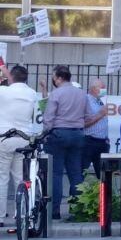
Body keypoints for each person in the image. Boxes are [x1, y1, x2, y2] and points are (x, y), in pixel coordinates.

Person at [42, 65, 88, 220]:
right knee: (75, 173)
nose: (53, 80)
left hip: (59, 134)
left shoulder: (56, 94)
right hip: (77, 134)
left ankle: (54, 211)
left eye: (54, 77)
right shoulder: (81, 93)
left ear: (59, 78)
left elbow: (49, 118)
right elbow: (87, 115)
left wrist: (45, 133)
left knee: (56, 173)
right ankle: (77, 209)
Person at [0, 64, 37, 227]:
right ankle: (21, 214)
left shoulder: (4, 92)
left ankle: (0, 217)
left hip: (4, 138)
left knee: (2, 178)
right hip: (24, 138)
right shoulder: (31, 93)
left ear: (11, 78)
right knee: (20, 178)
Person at [81, 78, 109, 179]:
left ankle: (103, 195)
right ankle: (75, 194)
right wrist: (100, 114)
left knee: (103, 175)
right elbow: (83, 123)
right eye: (102, 88)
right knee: (81, 172)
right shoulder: (86, 100)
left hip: (102, 142)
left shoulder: (100, 101)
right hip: (89, 142)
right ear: (93, 88)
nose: (104, 90)